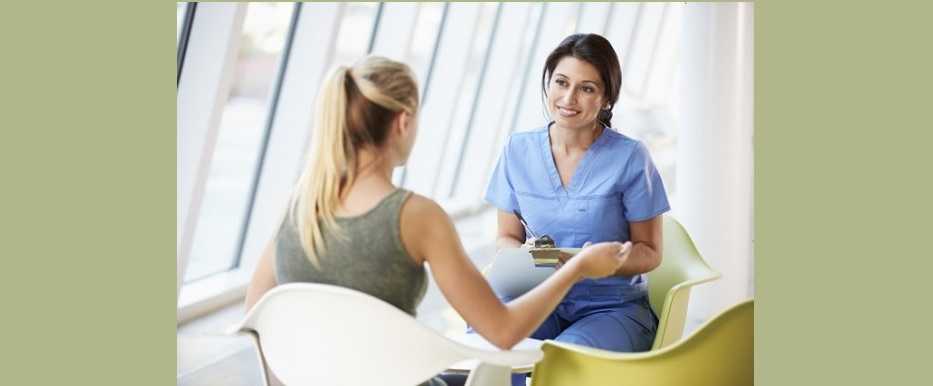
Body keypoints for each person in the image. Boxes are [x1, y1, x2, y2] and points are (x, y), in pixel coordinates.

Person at [244, 56, 633, 386]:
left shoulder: (299, 203)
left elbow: (260, 317)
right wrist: (579, 266)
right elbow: (502, 331)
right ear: (403, 122)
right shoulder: (416, 216)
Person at [485, 33, 670, 385]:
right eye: (561, 82)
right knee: (495, 353)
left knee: (560, 369)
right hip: (539, 296)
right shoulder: (516, 150)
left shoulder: (630, 158)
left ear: (606, 98)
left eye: (586, 88)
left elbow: (650, 252)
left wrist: (595, 265)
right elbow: (507, 237)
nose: (569, 98)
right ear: (548, 83)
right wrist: (549, 258)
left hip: (611, 308)